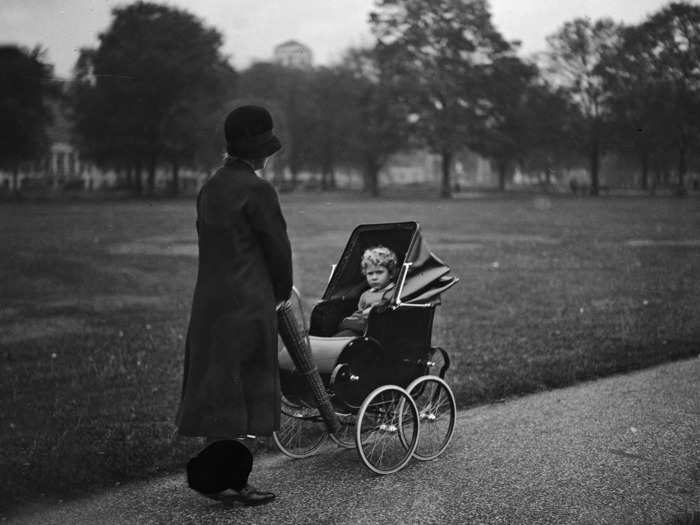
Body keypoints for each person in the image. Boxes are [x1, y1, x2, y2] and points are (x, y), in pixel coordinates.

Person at [175, 105, 293, 506]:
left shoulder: (210, 187)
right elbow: (277, 248)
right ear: (257, 152)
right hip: (248, 301)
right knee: (245, 391)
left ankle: (219, 473)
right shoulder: (258, 189)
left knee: (220, 388)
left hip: (210, 302)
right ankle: (233, 481)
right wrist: (283, 289)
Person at [334, 246, 398, 337]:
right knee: (342, 330)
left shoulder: (395, 292)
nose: (374, 277)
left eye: (379, 272)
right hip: (360, 328)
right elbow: (360, 313)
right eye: (370, 273)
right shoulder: (365, 294)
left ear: (391, 274)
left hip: (379, 329)